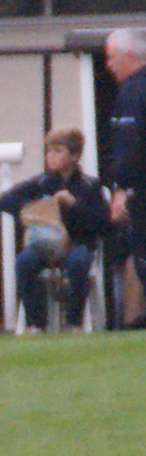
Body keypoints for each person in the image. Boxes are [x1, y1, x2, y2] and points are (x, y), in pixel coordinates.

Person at [0, 129, 109, 330]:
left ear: (74, 156)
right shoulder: (40, 183)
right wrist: (35, 207)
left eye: (58, 151)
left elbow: (102, 223)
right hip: (45, 243)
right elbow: (5, 201)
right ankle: (36, 323)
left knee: (78, 263)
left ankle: (74, 322)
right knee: (25, 262)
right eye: (49, 151)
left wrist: (74, 205)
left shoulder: (89, 185)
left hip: (78, 243)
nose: (51, 156)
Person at [105, 27, 146, 308]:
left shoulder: (132, 92)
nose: (108, 65)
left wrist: (122, 188)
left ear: (129, 56)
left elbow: (130, 146)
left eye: (111, 57)